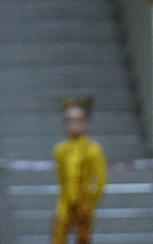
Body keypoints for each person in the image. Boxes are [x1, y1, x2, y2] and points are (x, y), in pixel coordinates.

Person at [51, 99, 106, 244]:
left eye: (77, 120)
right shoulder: (60, 149)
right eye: (69, 120)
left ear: (85, 123)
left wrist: (90, 200)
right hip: (65, 200)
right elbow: (61, 178)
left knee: (83, 237)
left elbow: (100, 180)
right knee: (58, 234)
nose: (73, 124)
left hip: (84, 200)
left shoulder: (93, 149)